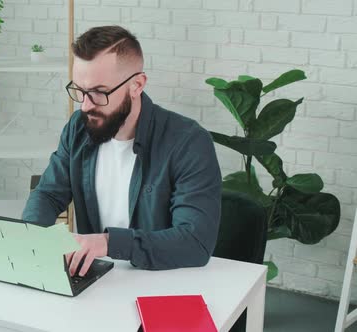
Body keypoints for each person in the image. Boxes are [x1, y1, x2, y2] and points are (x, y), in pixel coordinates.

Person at [22, 26, 222, 277]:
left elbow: (195, 242)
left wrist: (107, 243)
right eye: (79, 91)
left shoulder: (189, 142)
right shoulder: (78, 127)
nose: (85, 106)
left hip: (162, 283)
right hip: (97, 281)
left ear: (137, 85)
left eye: (98, 92)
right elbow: (49, 194)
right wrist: (31, 238)